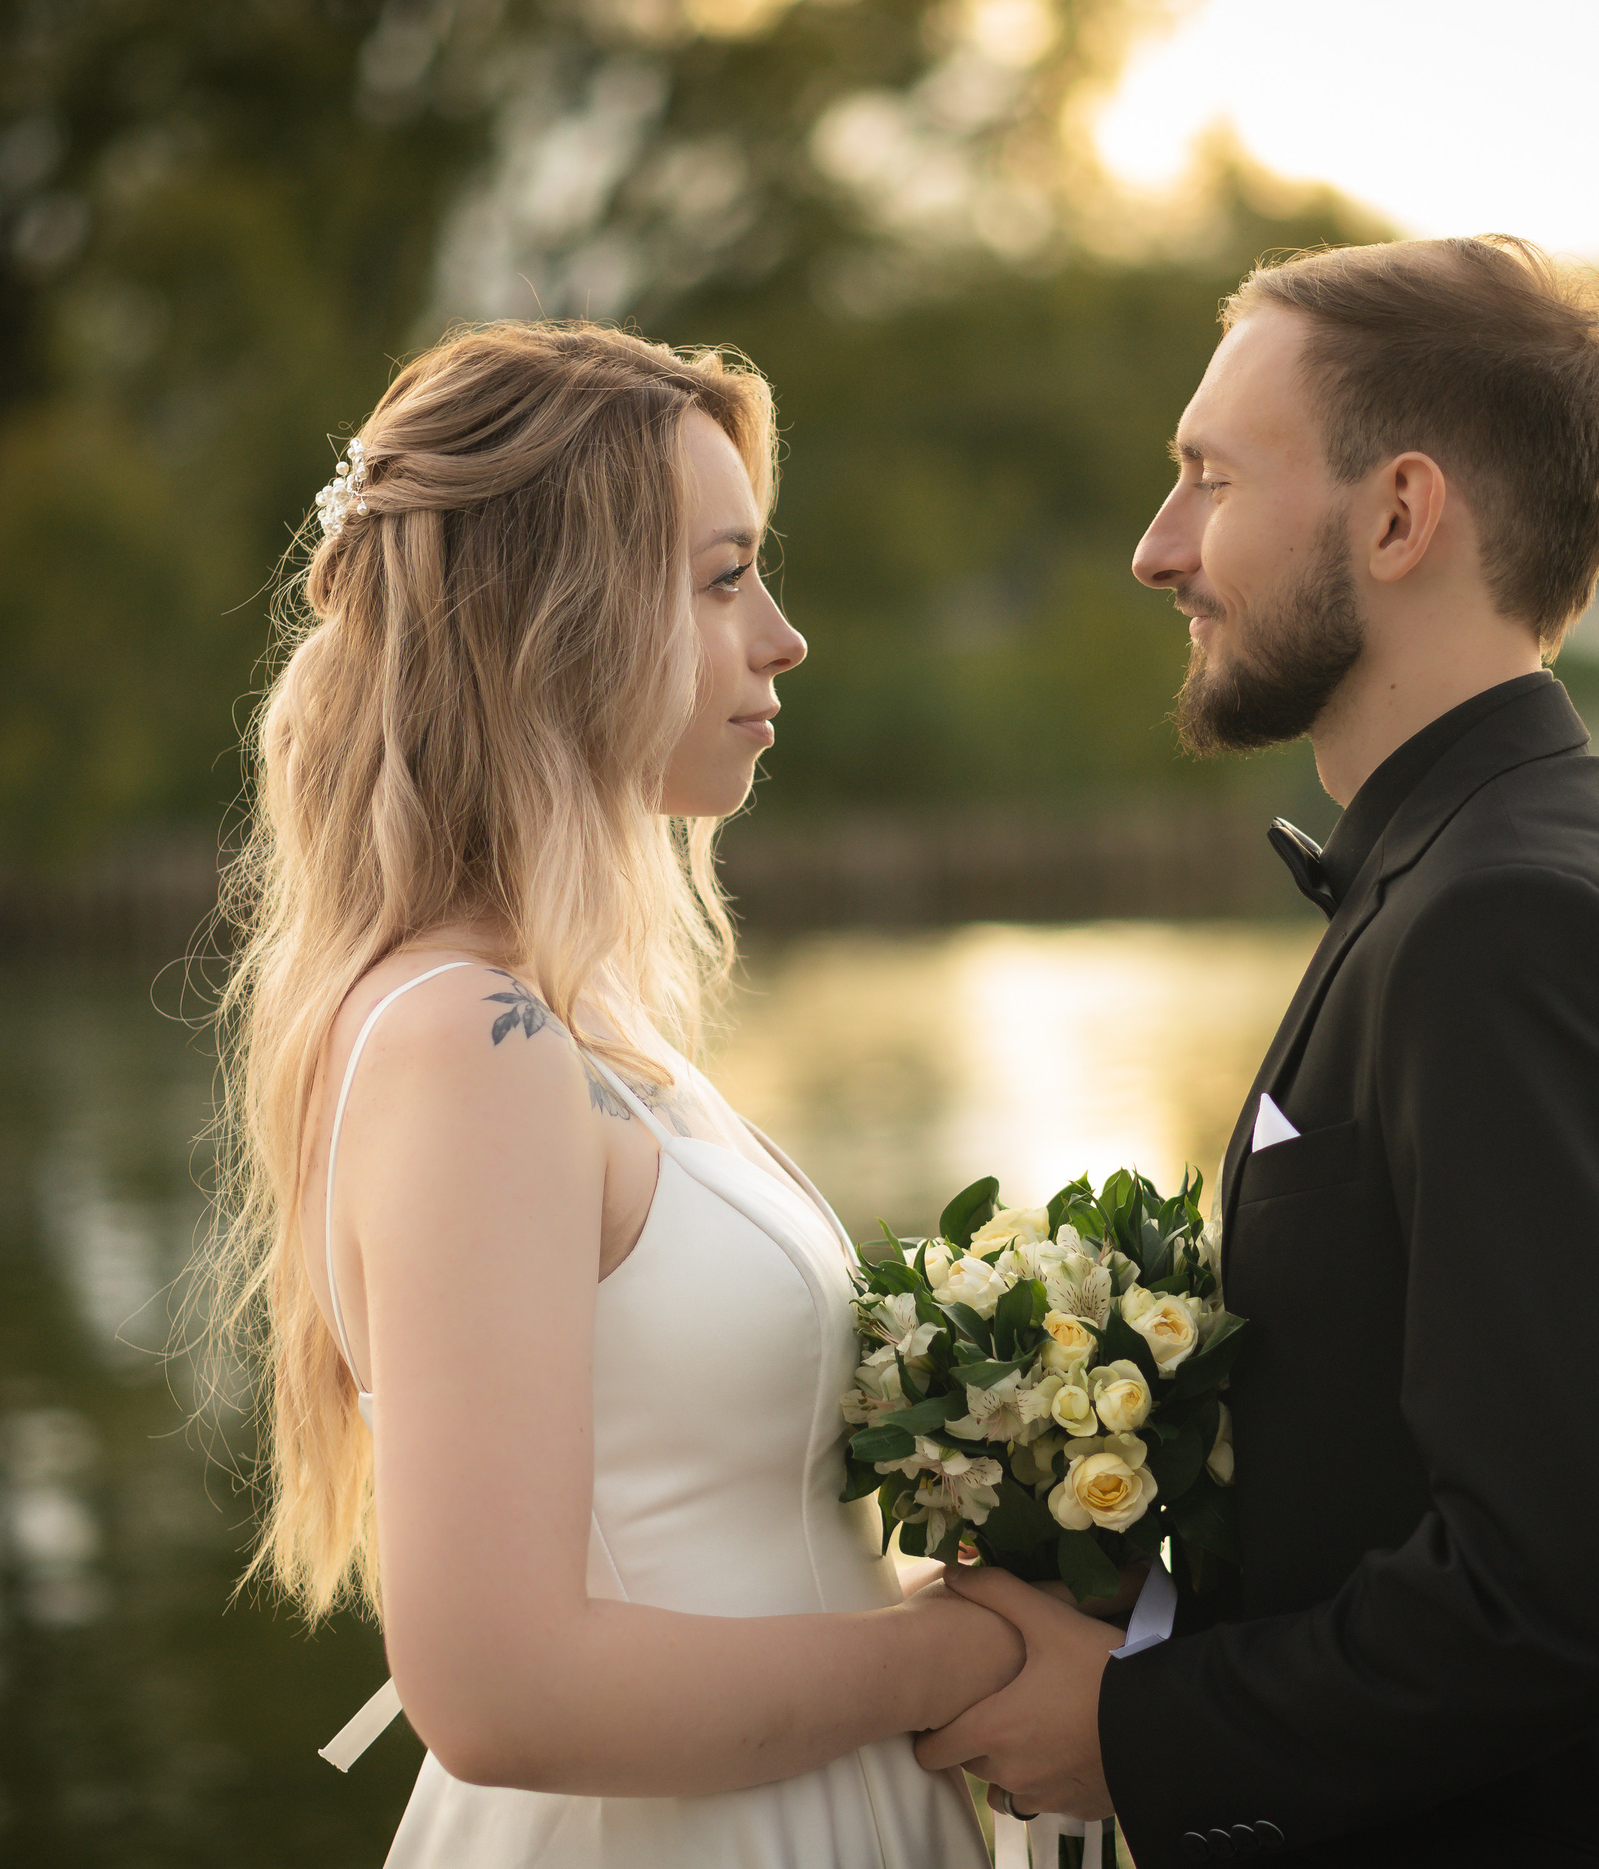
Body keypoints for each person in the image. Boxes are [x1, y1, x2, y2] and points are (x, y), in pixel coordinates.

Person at [919, 238, 1599, 1866]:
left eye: (1209, 477)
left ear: (1400, 515)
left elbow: (1557, 1596)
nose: (1157, 548)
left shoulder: (1516, 923)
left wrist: (1138, 1733)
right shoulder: (1536, 869)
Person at [201, 322, 1014, 1868]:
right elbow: (500, 1686)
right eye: (722, 578)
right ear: (556, 622)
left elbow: (719, 1545)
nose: (782, 636)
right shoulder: (469, 1041)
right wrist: (948, 1662)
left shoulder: (579, 1022)